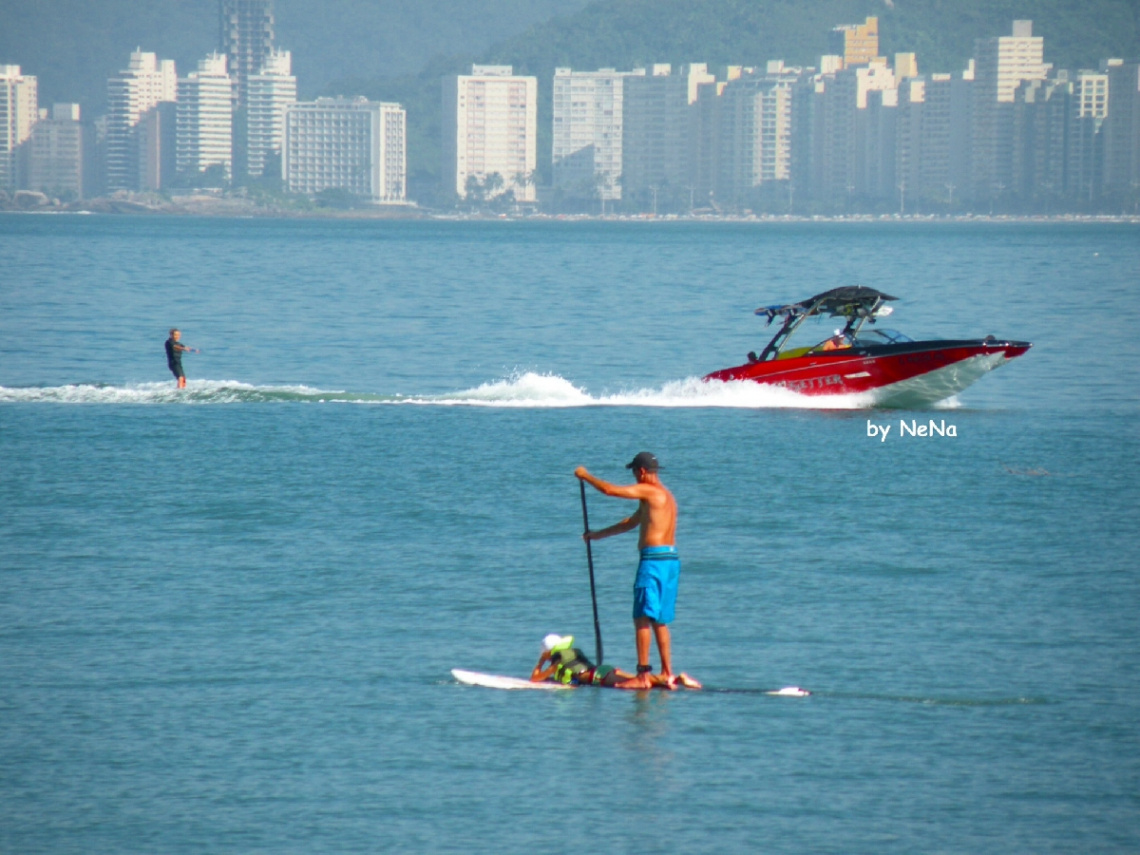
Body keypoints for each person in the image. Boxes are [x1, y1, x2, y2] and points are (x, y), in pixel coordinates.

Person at [575, 451, 690, 690]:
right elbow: (632, 521)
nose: (635, 478)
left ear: (643, 472)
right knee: (660, 619)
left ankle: (643, 676)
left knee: (641, 617)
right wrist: (597, 535)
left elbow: (610, 490)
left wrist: (585, 476)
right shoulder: (666, 497)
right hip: (671, 560)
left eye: (635, 473)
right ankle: (667, 673)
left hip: (654, 560)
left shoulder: (649, 490)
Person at [530, 634, 699, 689]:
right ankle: (675, 680)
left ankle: (677, 680)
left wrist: (540, 662)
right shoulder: (573, 651)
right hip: (603, 670)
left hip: (599, 677)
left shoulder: (558, 658)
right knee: (642, 682)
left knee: (637, 685)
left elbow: (535, 678)